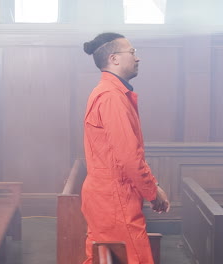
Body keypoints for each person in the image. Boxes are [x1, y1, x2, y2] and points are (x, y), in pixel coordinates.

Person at [81, 32, 170, 264]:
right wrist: (153, 191)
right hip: (115, 198)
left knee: (103, 258)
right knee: (135, 259)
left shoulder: (111, 92)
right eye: (132, 52)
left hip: (107, 195)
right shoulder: (112, 96)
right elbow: (129, 158)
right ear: (114, 59)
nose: (137, 58)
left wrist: (153, 186)